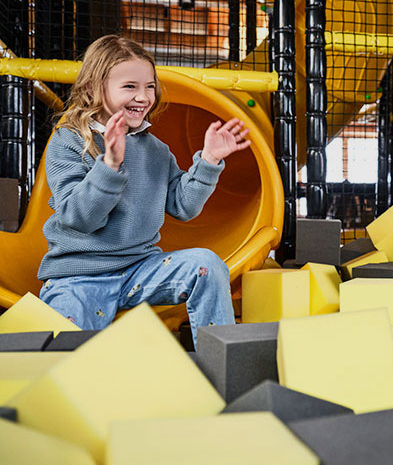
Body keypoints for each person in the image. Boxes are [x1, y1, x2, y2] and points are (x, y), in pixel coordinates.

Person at [38, 35, 251, 343]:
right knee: (65, 350)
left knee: (207, 263)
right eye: (130, 87)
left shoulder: (156, 150)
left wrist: (208, 159)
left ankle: (223, 359)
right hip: (78, 277)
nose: (143, 97)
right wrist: (109, 165)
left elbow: (183, 207)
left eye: (149, 86)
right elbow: (79, 219)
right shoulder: (69, 141)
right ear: (92, 89)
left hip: (139, 269)